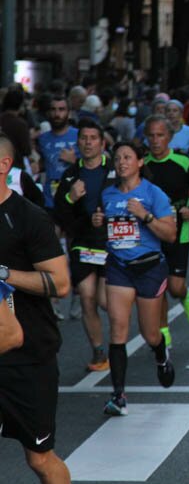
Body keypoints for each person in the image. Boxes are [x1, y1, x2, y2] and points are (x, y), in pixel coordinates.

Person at [0, 133, 73, 484]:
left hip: (28, 357)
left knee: (40, 458)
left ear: (4, 165)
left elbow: (60, 284)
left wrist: (4, 274)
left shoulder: (28, 217)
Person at [94, 141, 178, 416]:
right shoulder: (107, 194)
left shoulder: (154, 194)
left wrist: (146, 215)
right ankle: (118, 396)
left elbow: (170, 234)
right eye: (117, 158)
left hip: (150, 267)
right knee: (118, 329)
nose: (121, 162)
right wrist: (99, 221)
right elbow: (108, 227)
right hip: (119, 266)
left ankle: (160, 351)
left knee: (149, 333)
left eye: (127, 157)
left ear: (140, 162)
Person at [54, 120, 114, 371]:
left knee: (103, 301)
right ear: (78, 143)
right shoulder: (70, 175)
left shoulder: (114, 170)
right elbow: (60, 215)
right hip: (83, 244)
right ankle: (99, 353)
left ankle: (121, 336)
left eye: (93, 138)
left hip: (111, 243)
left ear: (102, 143)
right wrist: (71, 197)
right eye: (84, 138)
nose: (88, 143)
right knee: (87, 297)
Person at [142, 116, 189, 347]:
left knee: (175, 286)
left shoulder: (183, 161)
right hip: (151, 231)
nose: (156, 140)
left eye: (160, 135)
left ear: (169, 137)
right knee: (158, 285)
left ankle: (185, 295)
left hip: (180, 229)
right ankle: (163, 333)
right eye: (151, 135)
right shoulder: (142, 164)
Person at [36, 96, 78, 212]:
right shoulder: (42, 139)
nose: (57, 113)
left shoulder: (80, 136)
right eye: (53, 109)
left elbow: (94, 164)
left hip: (74, 197)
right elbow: (44, 163)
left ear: (68, 113)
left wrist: (74, 160)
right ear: (48, 113)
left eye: (61, 109)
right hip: (50, 199)